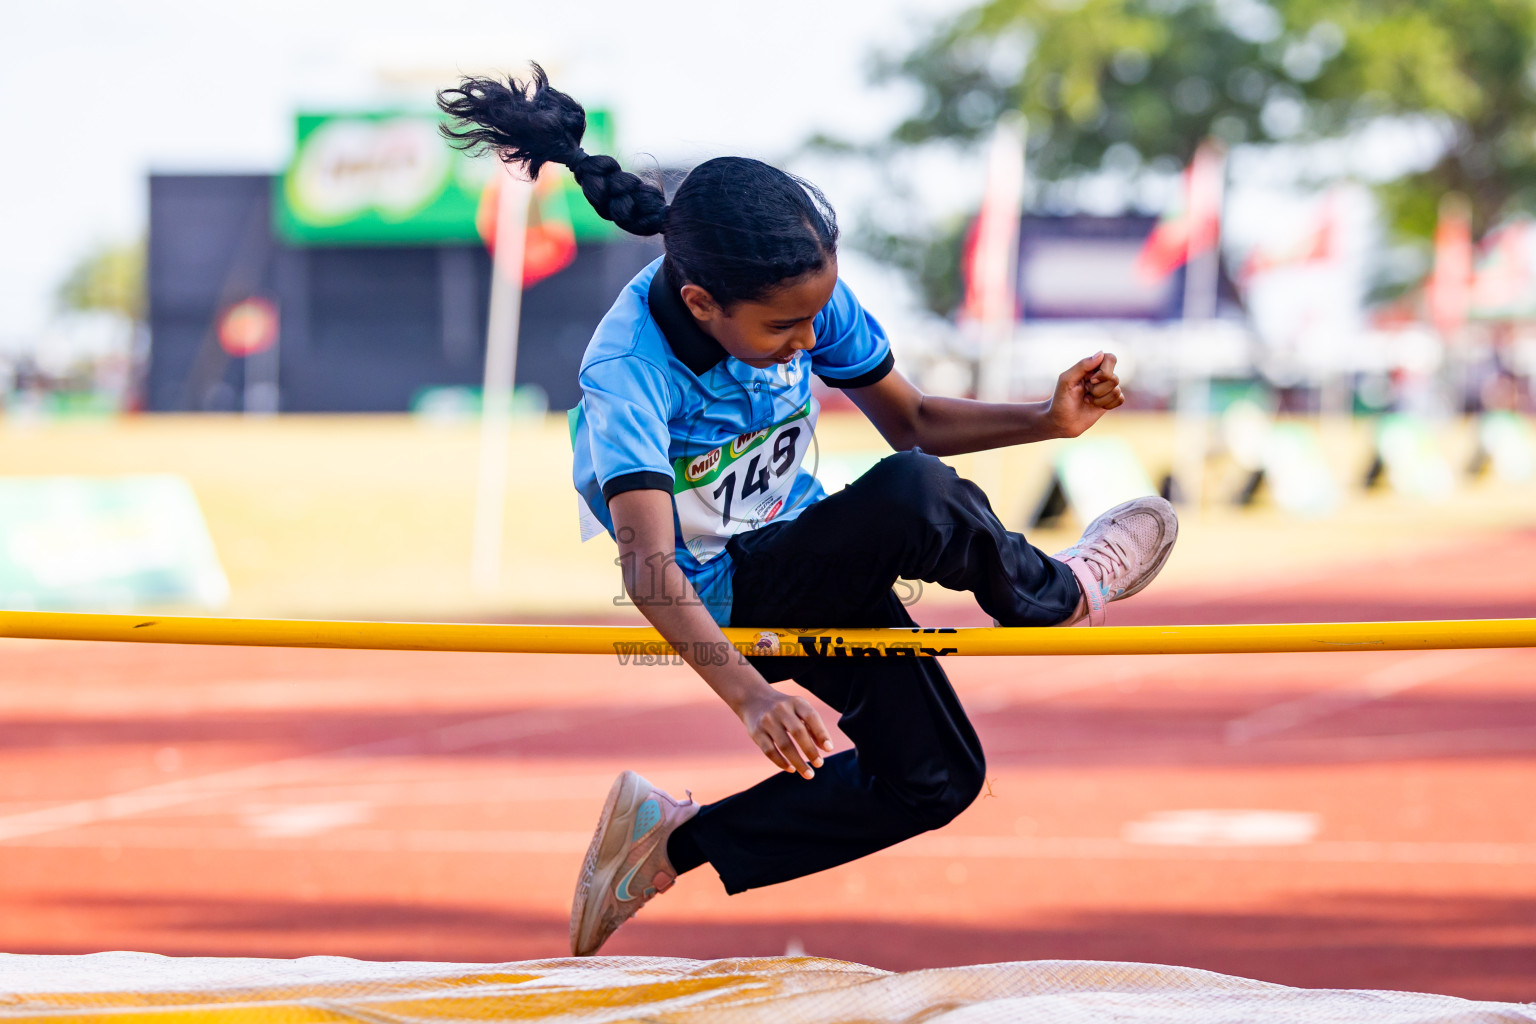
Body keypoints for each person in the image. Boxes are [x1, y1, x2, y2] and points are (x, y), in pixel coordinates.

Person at [438, 66, 1179, 958]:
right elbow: (648, 570)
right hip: (719, 593)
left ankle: (669, 844)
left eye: (815, 318)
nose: (806, 340)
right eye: (784, 331)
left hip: (809, 556)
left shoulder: (798, 292)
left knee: (936, 778)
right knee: (910, 492)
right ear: (702, 303)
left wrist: (1046, 421)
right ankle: (1061, 590)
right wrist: (749, 698)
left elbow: (913, 420)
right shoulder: (627, 371)